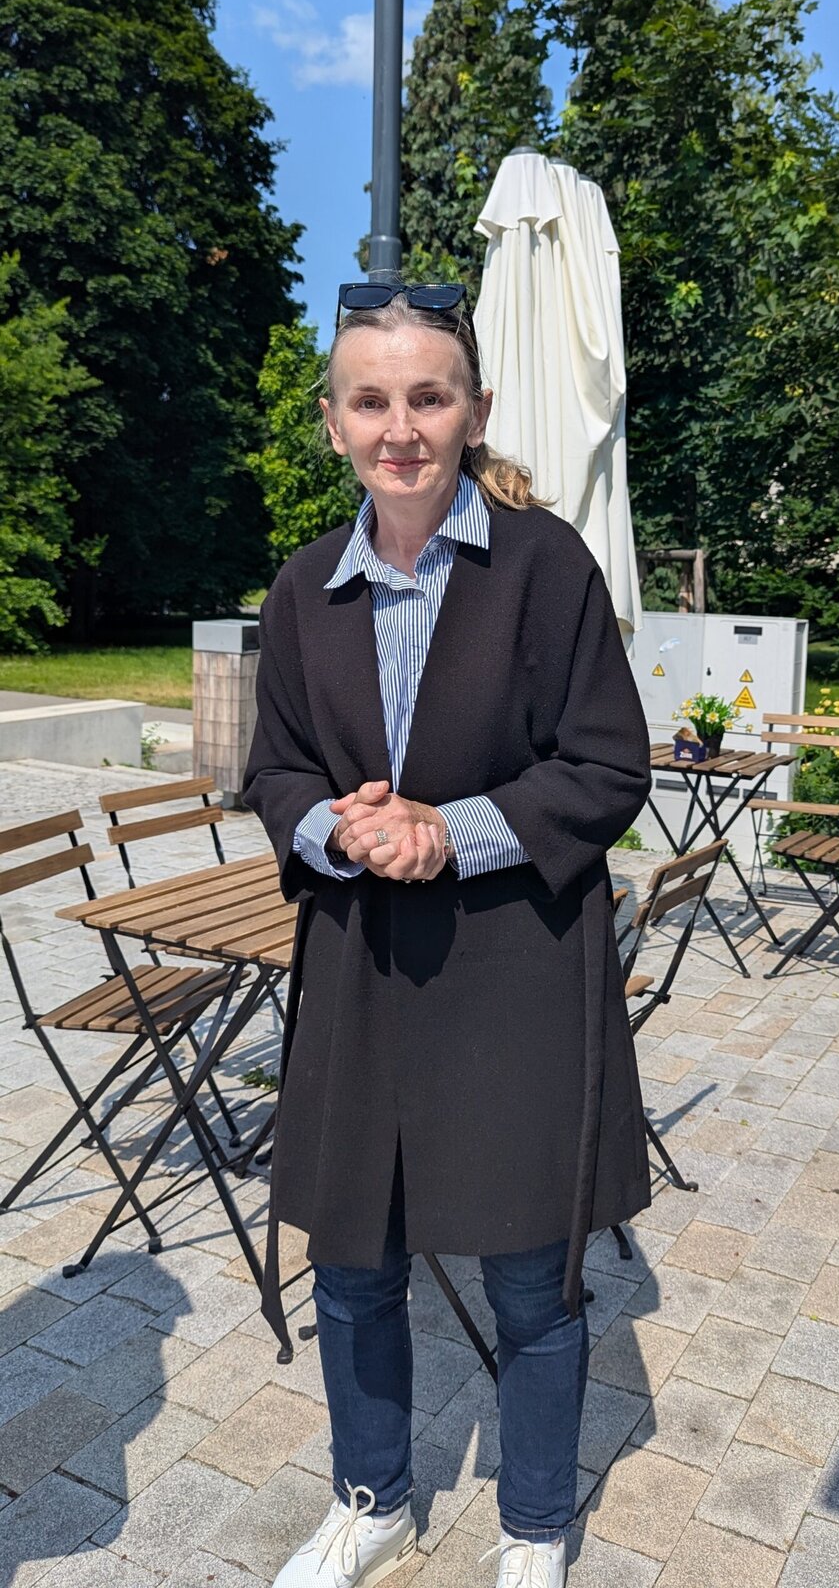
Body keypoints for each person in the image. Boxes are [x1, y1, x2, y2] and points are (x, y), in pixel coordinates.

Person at [242, 279, 652, 1588]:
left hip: (518, 971)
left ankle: (533, 1525)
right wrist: (337, 830)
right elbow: (275, 772)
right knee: (354, 1267)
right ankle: (372, 1500)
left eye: (429, 397)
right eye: (371, 401)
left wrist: (449, 831)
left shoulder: (546, 566)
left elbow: (607, 766)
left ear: (472, 411)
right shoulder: (302, 591)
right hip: (360, 971)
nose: (400, 427)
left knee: (531, 1282)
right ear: (333, 423)